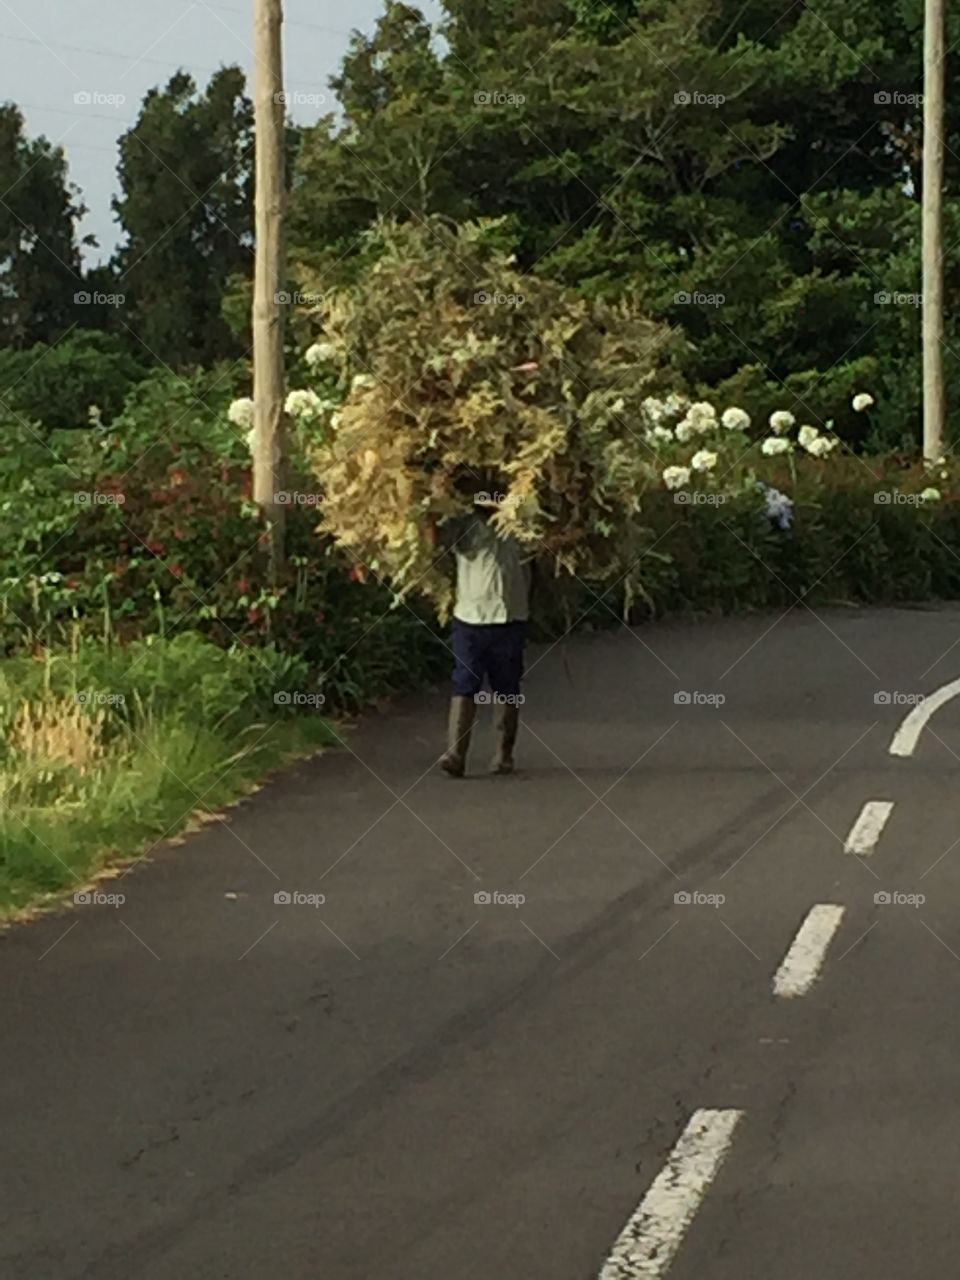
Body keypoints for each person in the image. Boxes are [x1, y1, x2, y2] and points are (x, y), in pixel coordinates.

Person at [431, 478, 533, 778]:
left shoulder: (520, 523)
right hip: (470, 617)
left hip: (510, 618)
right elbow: (434, 539)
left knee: (507, 687)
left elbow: (550, 540)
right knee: (465, 682)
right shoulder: (464, 524)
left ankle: (504, 753)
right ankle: (455, 754)